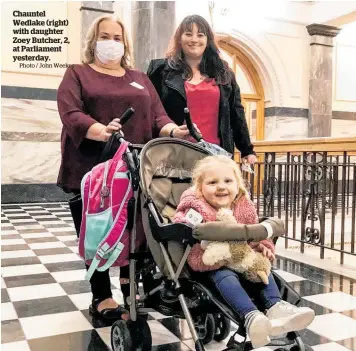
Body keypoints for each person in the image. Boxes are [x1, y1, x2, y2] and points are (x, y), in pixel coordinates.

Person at [56, 14, 195, 323]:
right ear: (94, 42)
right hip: (92, 169)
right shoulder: (77, 73)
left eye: (117, 38)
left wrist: (175, 131)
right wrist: (99, 129)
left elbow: (158, 115)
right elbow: (70, 112)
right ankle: (101, 296)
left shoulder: (139, 78)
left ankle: (130, 287)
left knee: (138, 231)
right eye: (105, 36)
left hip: (136, 165)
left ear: (125, 43)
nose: (111, 43)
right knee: (98, 231)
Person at [173, 156, 315, 348]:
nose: (221, 187)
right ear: (200, 188)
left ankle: (275, 306)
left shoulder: (242, 205)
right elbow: (181, 223)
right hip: (212, 262)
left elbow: (254, 232)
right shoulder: (196, 206)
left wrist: (263, 245)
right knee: (225, 275)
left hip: (243, 257)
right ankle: (250, 316)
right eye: (212, 182)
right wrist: (193, 230)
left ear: (238, 185)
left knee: (263, 271)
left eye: (228, 181)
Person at [147, 14, 257, 166]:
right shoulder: (160, 70)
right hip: (173, 156)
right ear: (180, 38)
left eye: (200, 35)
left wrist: (247, 150)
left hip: (216, 156)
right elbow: (151, 113)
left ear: (207, 40)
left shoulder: (224, 73)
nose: (194, 39)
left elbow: (236, 112)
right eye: (188, 34)